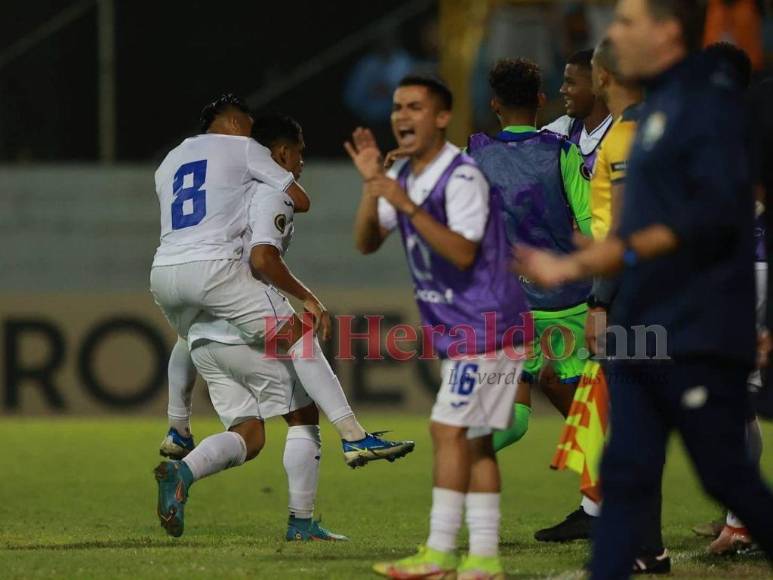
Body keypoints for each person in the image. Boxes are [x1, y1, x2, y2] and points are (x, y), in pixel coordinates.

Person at [514, 0, 773, 577]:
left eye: (628, 21)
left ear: (665, 33)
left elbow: (701, 220)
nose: (616, 32)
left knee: (724, 472)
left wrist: (598, 279)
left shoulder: (697, 112)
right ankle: (633, 559)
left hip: (691, 323)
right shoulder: (652, 116)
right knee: (626, 464)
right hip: (644, 313)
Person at [154, 113, 414, 539]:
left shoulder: (221, 191)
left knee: (249, 434)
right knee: (303, 406)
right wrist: (307, 296)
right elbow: (262, 258)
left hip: (204, 335)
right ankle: (334, 467)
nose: (301, 162)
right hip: (243, 325)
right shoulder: (271, 190)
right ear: (279, 153)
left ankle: (182, 470)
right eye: (299, 152)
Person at [349, 75, 530, 580]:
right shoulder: (405, 178)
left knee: (446, 429)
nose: (402, 116)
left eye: (415, 107)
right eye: (397, 107)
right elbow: (366, 242)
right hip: (466, 328)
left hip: (487, 326)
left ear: (443, 117)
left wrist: (404, 204)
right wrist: (372, 187)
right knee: (473, 441)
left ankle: (439, 553)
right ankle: (484, 560)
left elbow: (463, 250)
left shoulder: (462, 176)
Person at [465, 58, 597, 541]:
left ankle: (464, 455)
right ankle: (610, 503)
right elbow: (587, 227)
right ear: (540, 100)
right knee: (587, 414)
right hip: (567, 303)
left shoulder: (473, 152)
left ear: (493, 102)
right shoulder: (563, 151)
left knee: (513, 414)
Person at [542, 49, 614, 176]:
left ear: (596, 85)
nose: (562, 90)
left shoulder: (620, 136)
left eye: (570, 82)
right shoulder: (564, 128)